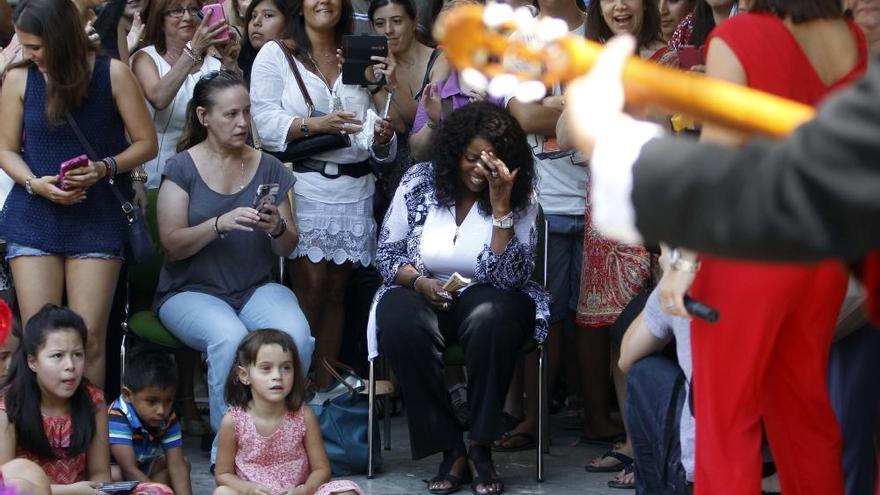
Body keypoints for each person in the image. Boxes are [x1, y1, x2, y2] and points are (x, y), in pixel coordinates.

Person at [370, 102, 548, 495]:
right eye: (471, 158)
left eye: (490, 162)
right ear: (454, 152)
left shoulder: (519, 196)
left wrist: (501, 209)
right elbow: (386, 253)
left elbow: (513, 278)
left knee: (493, 317)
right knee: (399, 320)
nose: (478, 170)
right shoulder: (419, 181)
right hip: (421, 288)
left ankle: (481, 448)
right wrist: (417, 283)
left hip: (491, 296)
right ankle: (451, 448)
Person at [154, 70, 314, 454]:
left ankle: (283, 440)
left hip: (255, 287)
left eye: (247, 112)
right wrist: (218, 224)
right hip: (189, 290)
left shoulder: (269, 166)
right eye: (230, 114)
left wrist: (277, 228)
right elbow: (172, 245)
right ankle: (228, 451)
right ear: (203, 117)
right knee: (228, 338)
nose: (243, 122)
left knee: (297, 336)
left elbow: (288, 248)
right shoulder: (182, 168)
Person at [0, 0, 157, 389]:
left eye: (35, 46)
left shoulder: (112, 73)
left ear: (60, 38)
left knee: (88, 341)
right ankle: (40, 441)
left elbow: (146, 143)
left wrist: (104, 168)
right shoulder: (20, 79)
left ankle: (90, 443)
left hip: (96, 215)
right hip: (35, 212)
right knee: (41, 341)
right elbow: (4, 149)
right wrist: (35, 183)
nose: (27, 53)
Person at [250, 0, 396, 388]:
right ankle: (294, 389)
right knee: (310, 289)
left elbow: (378, 127)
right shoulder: (276, 53)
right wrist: (318, 125)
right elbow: (263, 124)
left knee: (336, 291)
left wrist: (384, 125)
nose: (324, 1)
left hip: (355, 187)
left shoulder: (360, 53)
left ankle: (324, 389)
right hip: (304, 185)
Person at [492, 0, 582, 461]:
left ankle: (588, 413)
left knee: (589, 318)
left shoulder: (599, 37)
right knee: (544, 311)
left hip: (597, 196)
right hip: (541, 199)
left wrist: (559, 109)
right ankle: (533, 413)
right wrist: (576, 113)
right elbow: (523, 118)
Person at [0, 304, 173, 495]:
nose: (70, 366)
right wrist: (71, 491)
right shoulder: (9, 406)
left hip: (85, 493)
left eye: (77, 355)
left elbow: (100, 473)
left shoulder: (93, 401)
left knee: (157, 491)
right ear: (33, 362)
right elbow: (5, 485)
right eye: (58, 356)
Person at [213, 330, 363, 495]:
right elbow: (223, 474)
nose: (277, 376)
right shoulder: (234, 421)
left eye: (286, 368)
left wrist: (305, 490)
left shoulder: (303, 415)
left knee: (347, 492)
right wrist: (248, 489)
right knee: (223, 493)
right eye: (266, 368)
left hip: (297, 492)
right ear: (244, 375)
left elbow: (321, 469)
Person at [132, 0, 235, 191]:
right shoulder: (145, 58)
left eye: (194, 9)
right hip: (152, 179)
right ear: (160, 19)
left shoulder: (214, 65)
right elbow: (159, 98)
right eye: (176, 11)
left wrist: (230, 66)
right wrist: (193, 51)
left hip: (205, 181)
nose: (187, 17)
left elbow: (231, 120)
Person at [369, 0, 449, 199]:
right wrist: (373, 84)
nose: (388, 30)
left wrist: (394, 84)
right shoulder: (376, 66)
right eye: (380, 24)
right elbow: (397, 125)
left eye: (397, 21)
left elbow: (421, 121)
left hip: (437, 176)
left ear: (414, 22)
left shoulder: (441, 60)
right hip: (396, 181)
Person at [618, 286, 693, 495]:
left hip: (705, 465)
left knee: (642, 372)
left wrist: (668, 282)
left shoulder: (684, 284)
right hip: (777, 461)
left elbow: (626, 359)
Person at [108, 350, 192, 495]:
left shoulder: (168, 416)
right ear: (128, 395)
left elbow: (176, 465)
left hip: (143, 470)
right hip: (122, 474)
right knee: (114, 474)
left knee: (182, 464)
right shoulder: (117, 415)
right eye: (152, 401)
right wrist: (157, 491)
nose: (161, 410)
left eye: (168, 401)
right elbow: (129, 469)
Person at [237, 0, 292, 83]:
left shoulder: (303, 64)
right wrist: (233, 67)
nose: (256, 22)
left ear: (289, 22)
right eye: (253, 16)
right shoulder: (241, 60)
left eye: (268, 15)